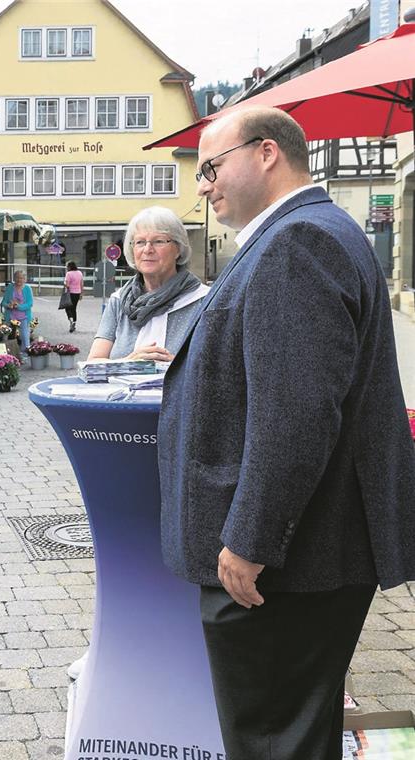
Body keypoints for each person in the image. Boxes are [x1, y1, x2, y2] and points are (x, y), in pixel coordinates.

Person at [158, 106, 415, 760]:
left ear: (267, 152)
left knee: (272, 742)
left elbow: (296, 413)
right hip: (303, 556)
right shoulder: (308, 233)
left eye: (212, 167)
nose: (204, 185)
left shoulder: (299, 243)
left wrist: (250, 538)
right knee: (296, 737)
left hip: (283, 565)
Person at [88, 206, 208, 362]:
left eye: (158, 241)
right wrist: (128, 363)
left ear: (178, 249)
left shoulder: (204, 301)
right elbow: (92, 364)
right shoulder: (119, 301)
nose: (148, 249)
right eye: (140, 242)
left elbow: (216, 370)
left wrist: (175, 369)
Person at [0, 270, 34, 358]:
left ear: (25, 279)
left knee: (25, 337)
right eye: (17, 277)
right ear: (14, 278)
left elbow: (30, 303)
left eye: (22, 278)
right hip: (10, 316)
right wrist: (9, 305)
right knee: (5, 336)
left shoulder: (27, 288)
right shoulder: (10, 288)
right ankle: (5, 355)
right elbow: (3, 302)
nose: (19, 280)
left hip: (24, 316)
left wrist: (19, 306)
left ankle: (25, 354)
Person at [63, 260, 84, 332]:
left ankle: (71, 320)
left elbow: (67, 285)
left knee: (67, 308)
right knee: (74, 308)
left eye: (67, 266)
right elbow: (81, 284)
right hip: (77, 293)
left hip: (70, 293)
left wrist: (64, 283)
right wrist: (81, 293)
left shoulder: (68, 274)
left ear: (69, 266)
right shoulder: (80, 273)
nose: (66, 267)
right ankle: (74, 322)